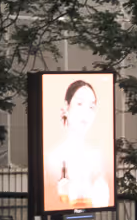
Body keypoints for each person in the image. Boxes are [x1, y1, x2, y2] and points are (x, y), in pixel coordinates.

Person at [45, 77, 112, 210]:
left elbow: (102, 201)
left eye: (91, 106)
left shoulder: (96, 156)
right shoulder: (53, 157)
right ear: (66, 107)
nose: (86, 112)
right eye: (80, 104)